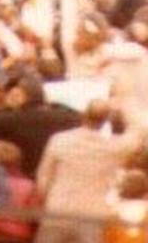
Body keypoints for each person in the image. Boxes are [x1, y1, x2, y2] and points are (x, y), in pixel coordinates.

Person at [36, 101, 140, 243]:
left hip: (58, 209)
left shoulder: (60, 140)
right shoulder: (115, 148)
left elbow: (43, 176)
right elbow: (138, 133)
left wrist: (49, 197)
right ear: (106, 121)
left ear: (83, 115)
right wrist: (125, 107)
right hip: (92, 214)